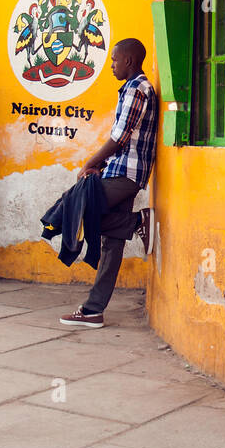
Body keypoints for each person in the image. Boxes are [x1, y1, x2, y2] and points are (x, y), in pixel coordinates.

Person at [58, 38, 158, 328]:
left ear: (128, 61)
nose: (111, 65)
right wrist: (101, 165)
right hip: (120, 170)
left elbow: (121, 136)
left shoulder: (137, 89)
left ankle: (138, 220)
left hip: (126, 174)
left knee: (74, 206)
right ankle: (93, 310)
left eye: (115, 60)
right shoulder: (131, 89)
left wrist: (90, 163)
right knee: (111, 243)